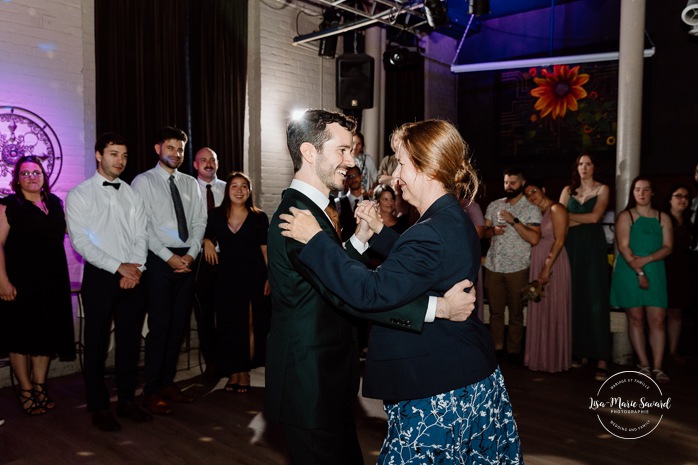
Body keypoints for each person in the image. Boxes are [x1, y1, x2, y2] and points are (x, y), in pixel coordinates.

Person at [279, 118, 522, 464]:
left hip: (437, 389)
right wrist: (379, 232)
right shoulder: (452, 216)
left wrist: (317, 241)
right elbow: (422, 264)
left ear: (428, 168)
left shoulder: (430, 230)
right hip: (466, 374)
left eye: (402, 164)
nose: (396, 176)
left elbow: (372, 291)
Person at [66, 133, 152, 431]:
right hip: (101, 276)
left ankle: (127, 401)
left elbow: (142, 235)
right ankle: (99, 406)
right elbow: (81, 243)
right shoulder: (79, 194)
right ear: (98, 155)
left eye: (124, 155)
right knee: (97, 343)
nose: (120, 160)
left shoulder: (132, 194)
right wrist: (119, 267)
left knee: (129, 342)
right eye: (114, 153)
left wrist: (136, 268)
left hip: (134, 275)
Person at [131, 127, 207, 414]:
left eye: (180, 149)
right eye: (170, 147)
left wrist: (190, 254)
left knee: (179, 327)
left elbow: (200, 221)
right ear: (157, 148)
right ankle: (151, 391)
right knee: (160, 327)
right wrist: (168, 257)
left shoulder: (190, 183)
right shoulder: (143, 182)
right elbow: (143, 226)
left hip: (187, 260)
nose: (176, 153)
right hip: (159, 261)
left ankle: (167, 383)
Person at [0, 156, 76, 415]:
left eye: (36, 172)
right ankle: (25, 390)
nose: (32, 176)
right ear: (17, 178)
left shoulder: (54, 203)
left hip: (52, 280)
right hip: (20, 282)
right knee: (21, 337)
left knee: (45, 336)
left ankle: (40, 387)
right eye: (25, 173)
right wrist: (2, 280)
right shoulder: (8, 205)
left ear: (44, 176)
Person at [203, 172, 269, 393]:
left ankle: (245, 371)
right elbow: (206, 234)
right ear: (227, 190)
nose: (239, 190)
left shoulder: (259, 217)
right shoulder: (215, 216)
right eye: (234, 186)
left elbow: (265, 250)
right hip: (226, 277)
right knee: (229, 325)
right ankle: (233, 371)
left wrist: (271, 276)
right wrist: (206, 241)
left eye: (244, 187)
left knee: (250, 324)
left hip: (254, 276)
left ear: (249, 191)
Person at [610, 176, 673, 384]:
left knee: (658, 320)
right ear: (633, 192)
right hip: (630, 269)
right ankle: (644, 365)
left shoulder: (663, 217)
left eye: (646, 190)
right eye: (637, 189)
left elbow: (668, 247)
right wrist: (640, 272)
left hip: (654, 268)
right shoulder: (626, 216)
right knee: (635, 318)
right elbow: (624, 247)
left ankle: (658, 367)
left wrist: (647, 260)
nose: (642, 193)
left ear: (652, 193)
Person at [559, 153, 611, 381]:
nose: (584, 167)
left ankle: (601, 357)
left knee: (596, 298)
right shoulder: (567, 191)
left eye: (588, 163)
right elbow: (558, 220)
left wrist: (569, 217)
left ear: (594, 167)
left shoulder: (603, 189)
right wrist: (569, 218)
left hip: (592, 248)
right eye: (580, 163)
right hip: (570, 247)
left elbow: (594, 218)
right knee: (574, 296)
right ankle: (578, 351)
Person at [483, 166, 541, 367]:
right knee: (496, 313)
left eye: (513, 182)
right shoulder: (494, 205)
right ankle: (496, 349)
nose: (509, 186)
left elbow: (534, 238)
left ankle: (514, 352)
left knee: (516, 313)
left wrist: (513, 220)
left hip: (517, 268)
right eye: (506, 182)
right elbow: (483, 233)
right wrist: (493, 231)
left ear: (522, 183)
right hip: (493, 266)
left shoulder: (531, 208)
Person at [523, 180, 572, 373]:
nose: (531, 196)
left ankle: (554, 360)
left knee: (555, 308)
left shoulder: (556, 209)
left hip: (554, 263)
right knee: (540, 309)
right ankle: (539, 358)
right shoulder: (536, 213)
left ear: (543, 189)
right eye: (528, 195)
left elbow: (560, 240)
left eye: (534, 191)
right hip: (538, 261)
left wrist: (546, 267)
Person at [192, 147, 226, 376]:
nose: (208, 163)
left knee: (226, 312)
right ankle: (212, 362)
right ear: (195, 165)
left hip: (227, 259)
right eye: (203, 160)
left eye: (212, 159)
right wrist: (205, 239)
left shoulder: (229, 188)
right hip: (199, 261)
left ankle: (229, 360)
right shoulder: (187, 187)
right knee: (204, 315)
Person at [664, 184, 692, 364]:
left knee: (676, 312)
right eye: (678, 196)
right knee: (658, 313)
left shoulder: (689, 222)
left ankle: (672, 352)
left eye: (686, 197)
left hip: (682, 270)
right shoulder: (663, 220)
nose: (683, 200)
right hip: (664, 268)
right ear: (670, 199)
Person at [335, 165, 367, 241]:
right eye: (349, 177)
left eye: (355, 175)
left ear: (361, 177)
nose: (353, 179)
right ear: (346, 181)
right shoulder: (337, 203)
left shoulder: (369, 202)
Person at [351, 131, 377, 195]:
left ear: (362, 146)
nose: (355, 146)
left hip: (364, 196)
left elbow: (375, 179)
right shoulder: (344, 159)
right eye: (353, 143)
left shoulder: (367, 159)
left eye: (358, 144)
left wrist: (372, 190)